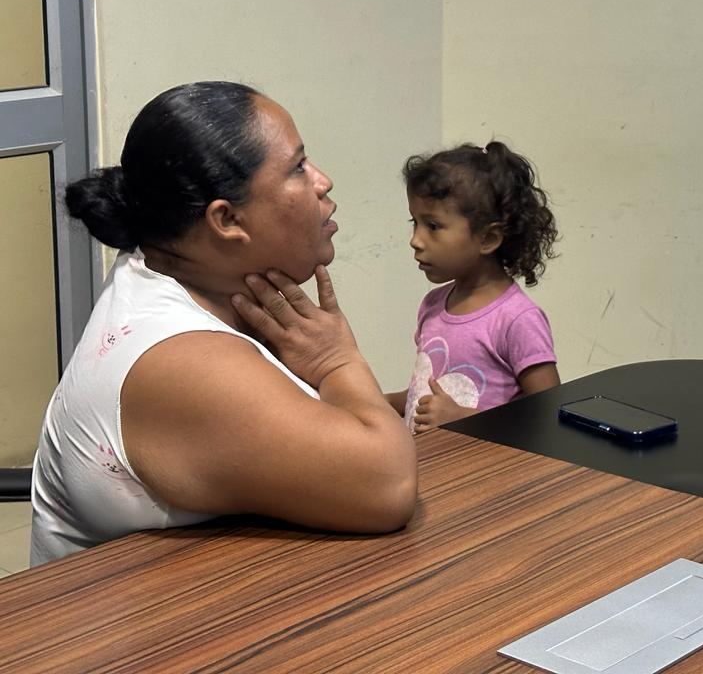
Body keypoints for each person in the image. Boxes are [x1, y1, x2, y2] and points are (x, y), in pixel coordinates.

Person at [30, 82, 417, 565]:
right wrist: (337, 361)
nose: (323, 181)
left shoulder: (167, 269)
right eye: (298, 167)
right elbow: (387, 486)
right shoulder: (183, 361)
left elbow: (294, 420)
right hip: (125, 611)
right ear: (227, 220)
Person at [386, 142, 561, 431]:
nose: (415, 240)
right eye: (414, 222)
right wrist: (379, 402)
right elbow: (425, 395)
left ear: (488, 239)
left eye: (432, 226)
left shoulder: (518, 319)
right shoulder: (432, 305)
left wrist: (463, 419)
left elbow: (547, 415)